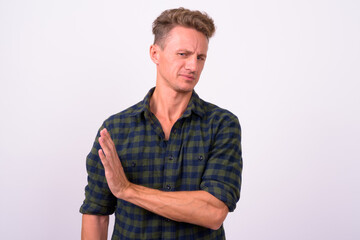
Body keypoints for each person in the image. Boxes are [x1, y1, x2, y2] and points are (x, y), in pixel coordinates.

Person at [80, 7, 242, 240]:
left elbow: (213, 211)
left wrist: (128, 190)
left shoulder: (222, 125)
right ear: (155, 53)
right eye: (183, 54)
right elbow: (96, 213)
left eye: (200, 57)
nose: (193, 66)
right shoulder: (116, 129)